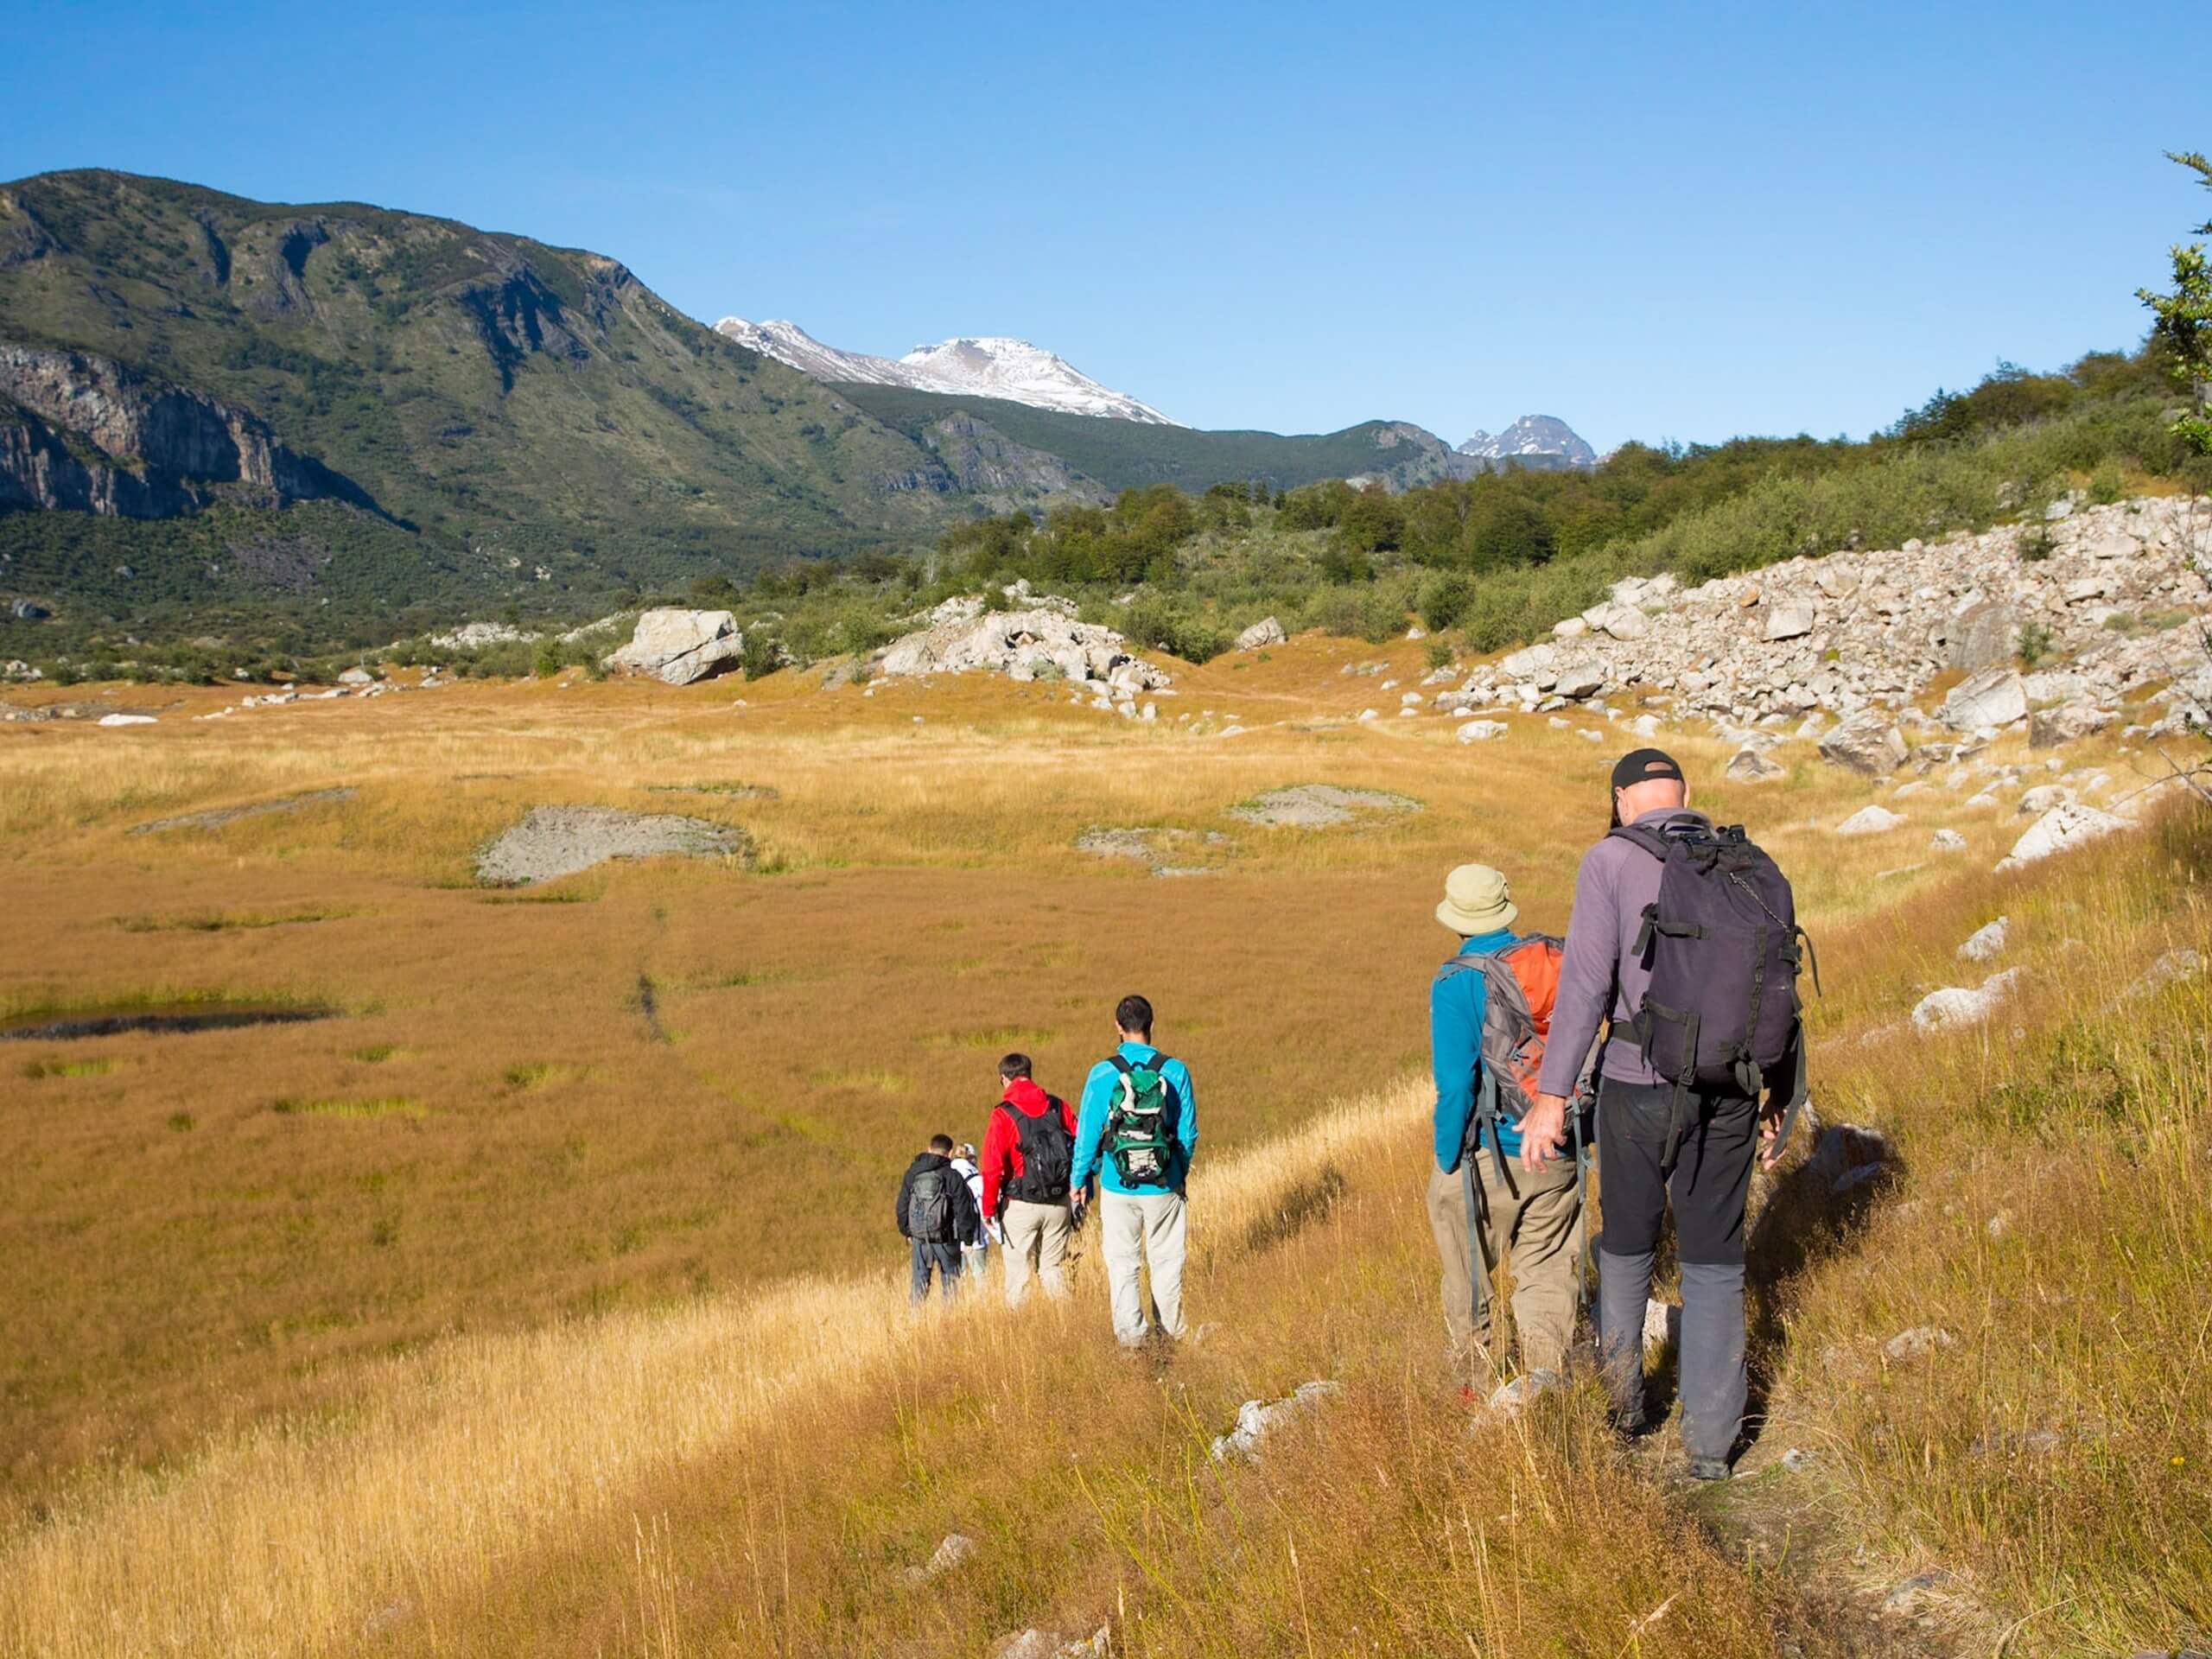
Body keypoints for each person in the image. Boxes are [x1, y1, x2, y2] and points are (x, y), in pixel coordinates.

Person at [1517, 748, 1793, 1479]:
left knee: (1630, 1247)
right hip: (1732, 1090)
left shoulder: (1608, 860)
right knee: (1713, 1263)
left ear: (1619, 800)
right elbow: (1776, 981)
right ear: (1688, 795)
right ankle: (1710, 1448)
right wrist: (1779, 1091)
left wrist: (1551, 1096)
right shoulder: (1744, 860)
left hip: (1638, 1084)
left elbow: (1585, 988)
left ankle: (1624, 1410)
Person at [1426, 863, 1585, 1394]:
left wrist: (1447, 1158)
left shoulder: (1455, 982)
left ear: (1456, 916)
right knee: (1545, 1271)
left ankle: (1476, 1388)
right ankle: (1544, 1388)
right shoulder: (1552, 959)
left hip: (1487, 1156)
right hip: (1559, 1147)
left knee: (1469, 1273)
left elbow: (1455, 1087)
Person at [1071, 995, 1198, 1348]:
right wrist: (1177, 1173)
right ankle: (1172, 1335)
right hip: (1165, 1185)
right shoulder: (1175, 1070)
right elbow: (1188, 1134)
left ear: (1117, 1027)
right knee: (1167, 1261)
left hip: (1117, 1184)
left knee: (1123, 1263)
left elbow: (1086, 1135)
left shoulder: (1101, 1073)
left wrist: (1078, 1179)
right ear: (1151, 1024)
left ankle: (1132, 1343)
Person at [979, 1052, 1078, 1306]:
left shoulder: (1003, 1114)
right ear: (1029, 1074)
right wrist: (1079, 1184)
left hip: (1020, 1204)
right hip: (1059, 1201)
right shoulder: (1058, 1106)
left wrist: (988, 1207)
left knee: (1018, 1279)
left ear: (1004, 1078)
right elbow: (1082, 1143)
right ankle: (1068, 1323)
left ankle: (1020, 1333)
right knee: (1052, 1269)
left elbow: (992, 1167)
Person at [896, 1133, 982, 1303]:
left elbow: (902, 1204)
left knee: (919, 1281)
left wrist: (907, 1231)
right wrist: (968, 1238)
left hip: (920, 1238)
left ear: (929, 1149)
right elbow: (963, 1209)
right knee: (950, 1280)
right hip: (947, 1238)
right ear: (949, 1153)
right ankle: (950, 1320)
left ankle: (914, 1320)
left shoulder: (912, 1173)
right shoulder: (953, 1176)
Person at [950, 1141, 990, 1283]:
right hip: (976, 1238)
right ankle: (980, 1304)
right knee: (979, 1276)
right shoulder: (979, 1180)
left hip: (952, 1237)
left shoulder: (947, 1176)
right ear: (972, 1159)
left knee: (956, 1279)